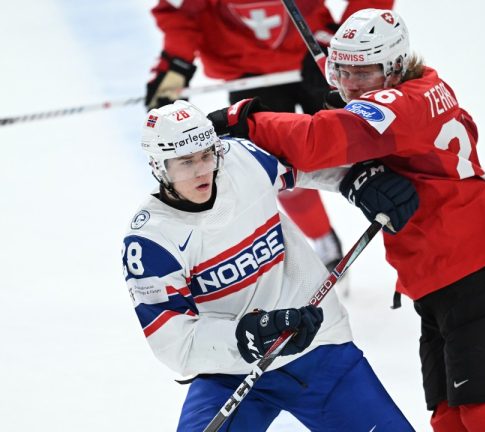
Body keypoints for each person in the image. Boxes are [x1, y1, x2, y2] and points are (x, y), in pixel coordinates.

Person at [207, 8, 485, 432]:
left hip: (477, 266)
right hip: (444, 272)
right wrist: (354, 129)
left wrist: (243, 118)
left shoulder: (400, 106)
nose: (349, 85)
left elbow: (317, 141)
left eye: (362, 73)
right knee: (450, 421)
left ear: (394, 68)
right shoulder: (420, 87)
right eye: (340, 72)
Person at [121, 100, 417, 431]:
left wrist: (356, 182)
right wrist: (247, 337)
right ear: (159, 166)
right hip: (230, 372)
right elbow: (174, 342)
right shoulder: (151, 241)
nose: (202, 170)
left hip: (318, 347)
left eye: (206, 155)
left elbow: (304, 165)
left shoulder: (241, 160)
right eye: (186, 162)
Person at [144, 0, 394, 282]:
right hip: (249, 73)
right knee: (272, 165)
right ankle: (323, 240)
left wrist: (349, 46)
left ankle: (416, 230)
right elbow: (182, 13)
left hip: (318, 55)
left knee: (363, 143)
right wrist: (176, 63)